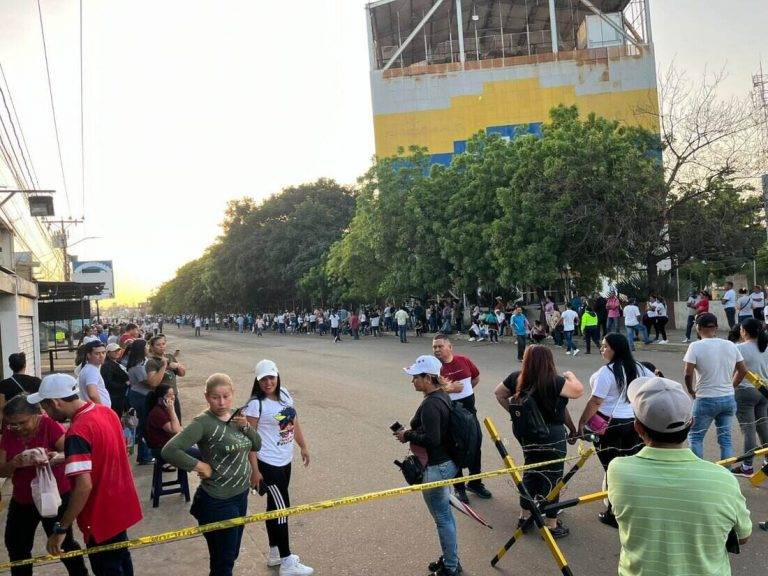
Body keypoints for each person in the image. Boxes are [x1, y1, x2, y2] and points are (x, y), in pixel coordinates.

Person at [608, 376, 751, 575]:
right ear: (691, 423)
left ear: (638, 428)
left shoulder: (618, 471)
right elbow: (743, 536)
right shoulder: (724, 479)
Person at [29, 373, 142, 575]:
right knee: (122, 561)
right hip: (120, 506)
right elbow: (104, 451)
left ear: (55, 402)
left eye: (45, 407)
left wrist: (62, 528)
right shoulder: (105, 412)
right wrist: (67, 457)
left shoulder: (77, 432)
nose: (45, 413)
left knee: (108, 568)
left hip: (100, 515)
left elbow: (84, 486)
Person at [162, 374, 262, 576]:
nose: (222, 402)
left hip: (240, 495)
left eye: (226, 396)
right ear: (206, 396)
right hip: (218, 501)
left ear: (233, 394)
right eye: (216, 397)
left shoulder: (237, 417)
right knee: (223, 564)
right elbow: (170, 450)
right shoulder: (203, 422)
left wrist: (245, 427)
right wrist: (199, 465)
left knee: (231, 555)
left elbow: (257, 445)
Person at [493, 346, 584, 538]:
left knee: (531, 471)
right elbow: (578, 391)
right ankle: (551, 524)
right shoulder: (555, 381)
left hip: (527, 434)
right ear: (548, 361)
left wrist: (517, 414)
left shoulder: (517, 378)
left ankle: (525, 517)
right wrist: (571, 375)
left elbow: (499, 393)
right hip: (552, 435)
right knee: (553, 476)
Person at [0, 394, 88, 576]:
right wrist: (15, 462)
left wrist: (52, 457)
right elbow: (2, 471)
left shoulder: (49, 425)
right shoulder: (9, 432)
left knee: (63, 543)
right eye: (12, 424)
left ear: (36, 415)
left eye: (22, 423)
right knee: (16, 546)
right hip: (23, 498)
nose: (17, 428)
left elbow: (71, 454)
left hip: (54, 496)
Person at [576, 333, 653, 528]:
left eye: (605, 346)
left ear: (616, 349)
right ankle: (631, 505)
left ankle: (613, 512)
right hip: (633, 424)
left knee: (611, 468)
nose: (602, 349)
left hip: (609, 426)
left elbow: (596, 401)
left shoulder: (607, 372)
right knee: (629, 466)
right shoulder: (640, 368)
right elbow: (656, 382)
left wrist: (582, 422)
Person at [244, 360, 313, 576]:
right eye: (263, 379)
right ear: (257, 381)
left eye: (271, 377)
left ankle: (274, 552)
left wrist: (303, 446)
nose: (268, 382)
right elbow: (249, 440)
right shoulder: (256, 404)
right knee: (283, 509)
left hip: (285, 460)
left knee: (275, 506)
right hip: (268, 464)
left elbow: (293, 421)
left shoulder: (284, 394)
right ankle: (286, 560)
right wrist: (255, 470)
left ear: (277, 376)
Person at [395, 355, 461, 576]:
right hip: (445, 463)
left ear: (428, 378)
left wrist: (407, 435)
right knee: (446, 516)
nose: (412, 381)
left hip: (436, 467)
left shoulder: (432, 404)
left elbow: (433, 439)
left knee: (442, 518)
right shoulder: (441, 396)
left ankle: (450, 567)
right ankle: (451, 559)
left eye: (416, 377)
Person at [432, 335, 490, 503]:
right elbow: (430, 391)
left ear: (450, 347)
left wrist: (466, 391)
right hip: (450, 417)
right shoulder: (434, 368)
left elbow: (475, 377)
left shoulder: (463, 360)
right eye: (434, 347)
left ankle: (475, 483)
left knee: (475, 447)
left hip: (470, 414)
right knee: (455, 451)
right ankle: (459, 488)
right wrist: (449, 389)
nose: (436, 350)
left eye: (440, 346)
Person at [684, 313, 747, 460]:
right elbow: (743, 370)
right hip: (728, 398)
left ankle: (699, 471)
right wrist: (732, 386)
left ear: (698, 327)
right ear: (716, 327)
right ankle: (727, 470)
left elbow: (687, 373)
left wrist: (691, 390)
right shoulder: (730, 345)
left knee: (695, 437)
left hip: (705, 398)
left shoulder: (695, 346)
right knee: (725, 440)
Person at [731, 318, 768, 476]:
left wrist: (731, 386)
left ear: (744, 331)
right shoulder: (765, 347)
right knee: (763, 426)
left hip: (745, 391)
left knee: (749, 429)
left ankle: (747, 467)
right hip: (764, 391)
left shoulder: (739, 348)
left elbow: (736, 371)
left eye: (741, 329)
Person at [125, 339, 155, 465]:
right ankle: (144, 455)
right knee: (145, 425)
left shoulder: (142, 362)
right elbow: (150, 382)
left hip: (141, 394)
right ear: (141, 349)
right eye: (146, 346)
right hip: (140, 396)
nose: (148, 348)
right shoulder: (138, 365)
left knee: (146, 425)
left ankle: (146, 454)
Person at [146, 334, 185, 420]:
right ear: (152, 347)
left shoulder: (170, 356)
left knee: (177, 423)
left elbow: (182, 374)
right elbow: (153, 383)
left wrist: (179, 366)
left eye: (163, 344)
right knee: (166, 425)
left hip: (174, 397)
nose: (162, 346)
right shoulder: (151, 362)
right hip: (161, 399)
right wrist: (165, 366)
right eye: (158, 345)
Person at [143, 384, 183, 460]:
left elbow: (179, 428)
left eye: (173, 394)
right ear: (160, 399)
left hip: (169, 445)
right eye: (169, 395)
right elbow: (176, 430)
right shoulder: (158, 412)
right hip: (163, 448)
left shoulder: (165, 409)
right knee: (198, 454)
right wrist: (172, 410)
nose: (173, 397)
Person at [77, 340, 110, 407]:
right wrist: (101, 409)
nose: (101, 356)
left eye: (103, 353)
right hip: (97, 409)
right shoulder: (92, 370)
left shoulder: (89, 368)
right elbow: (92, 394)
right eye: (97, 354)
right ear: (89, 355)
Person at [101, 343, 129, 416]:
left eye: (118, 350)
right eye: (114, 351)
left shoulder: (116, 363)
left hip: (119, 395)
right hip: (115, 397)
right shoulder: (107, 366)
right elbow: (108, 382)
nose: (117, 352)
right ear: (108, 353)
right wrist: (125, 384)